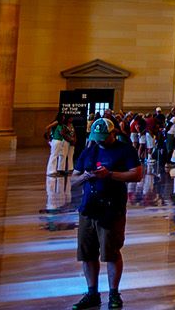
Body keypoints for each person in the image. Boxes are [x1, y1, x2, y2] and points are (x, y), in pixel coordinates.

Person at [70, 117, 144, 309]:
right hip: (88, 208)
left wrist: (109, 174)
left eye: (103, 137)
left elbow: (136, 174)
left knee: (111, 252)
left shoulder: (125, 150)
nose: (100, 140)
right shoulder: (89, 151)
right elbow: (73, 180)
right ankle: (92, 292)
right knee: (87, 253)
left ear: (114, 133)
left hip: (112, 209)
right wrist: (86, 176)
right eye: (97, 137)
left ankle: (113, 293)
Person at [45, 114, 76, 179]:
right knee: (54, 155)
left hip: (59, 140)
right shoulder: (57, 123)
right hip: (56, 140)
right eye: (63, 117)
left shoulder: (61, 125)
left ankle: (53, 170)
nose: (64, 118)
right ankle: (50, 171)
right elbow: (47, 127)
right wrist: (48, 137)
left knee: (56, 155)